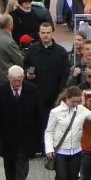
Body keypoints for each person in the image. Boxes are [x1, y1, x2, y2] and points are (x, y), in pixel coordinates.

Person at [0, 65, 42, 180]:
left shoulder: (32, 90)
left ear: (23, 78)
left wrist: (39, 134)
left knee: (23, 160)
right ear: (9, 78)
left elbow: (38, 113)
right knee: (9, 161)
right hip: (7, 134)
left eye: (19, 80)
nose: (17, 83)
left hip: (26, 133)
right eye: (14, 81)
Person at [24, 21, 70, 149]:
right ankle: (36, 146)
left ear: (52, 33)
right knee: (35, 120)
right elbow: (26, 65)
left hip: (53, 93)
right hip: (35, 92)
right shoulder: (33, 49)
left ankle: (49, 147)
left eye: (48, 33)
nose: (45, 35)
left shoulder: (61, 52)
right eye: (43, 33)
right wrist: (28, 73)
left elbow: (65, 74)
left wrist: (61, 93)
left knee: (51, 122)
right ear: (39, 33)